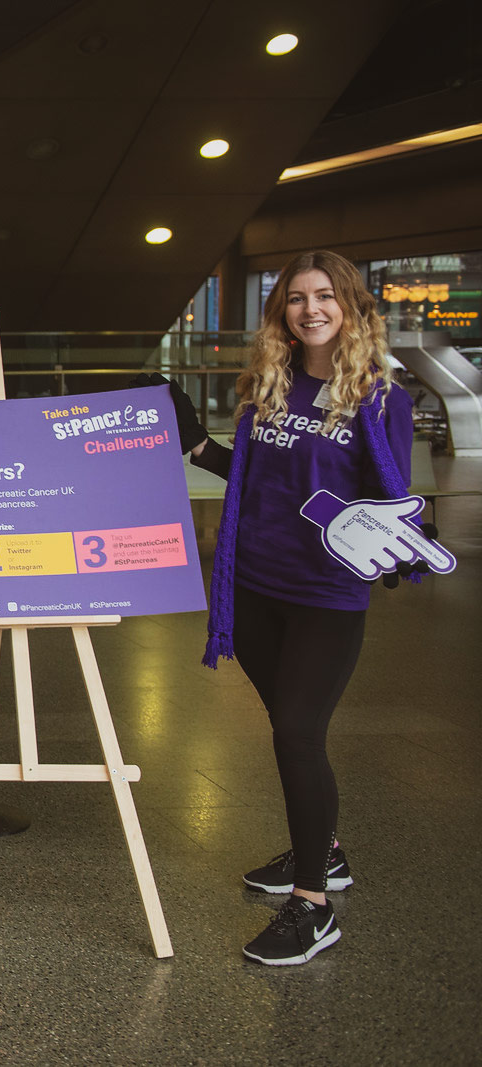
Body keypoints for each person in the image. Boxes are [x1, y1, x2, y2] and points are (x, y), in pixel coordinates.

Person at [145, 250, 415, 966]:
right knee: (288, 723)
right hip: (255, 585)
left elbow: (390, 497)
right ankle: (324, 847)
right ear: (282, 314)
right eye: (296, 298)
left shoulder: (380, 396)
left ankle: (312, 904)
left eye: (325, 295)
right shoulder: (273, 385)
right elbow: (256, 477)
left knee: (297, 730)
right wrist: (197, 441)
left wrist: (400, 540)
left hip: (325, 592)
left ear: (350, 305)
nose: (310, 308)